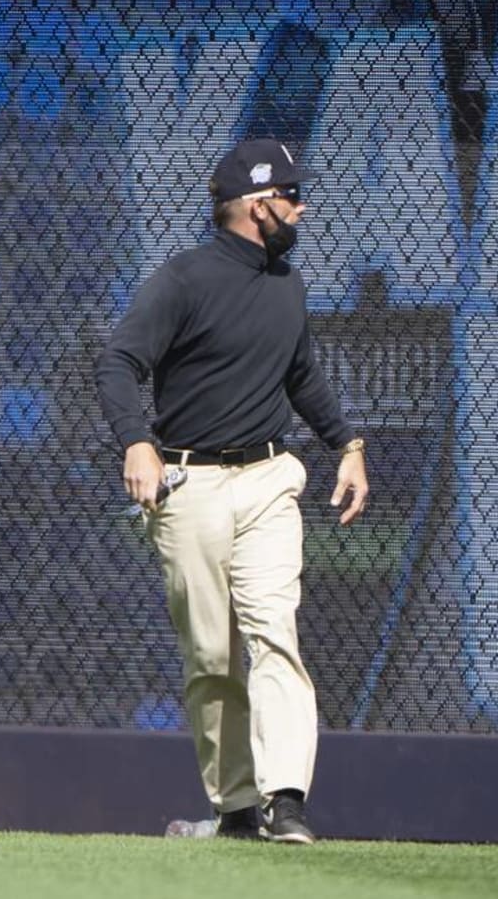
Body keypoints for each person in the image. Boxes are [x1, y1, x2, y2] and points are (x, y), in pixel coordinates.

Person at [95, 138, 369, 845]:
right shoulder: (184, 279)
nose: (300, 208)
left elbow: (301, 375)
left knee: (275, 636)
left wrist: (349, 445)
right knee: (212, 659)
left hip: (270, 479)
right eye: (288, 195)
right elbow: (120, 361)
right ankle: (238, 808)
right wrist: (136, 440)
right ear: (255, 206)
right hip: (191, 486)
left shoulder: (289, 285)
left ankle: (287, 800)